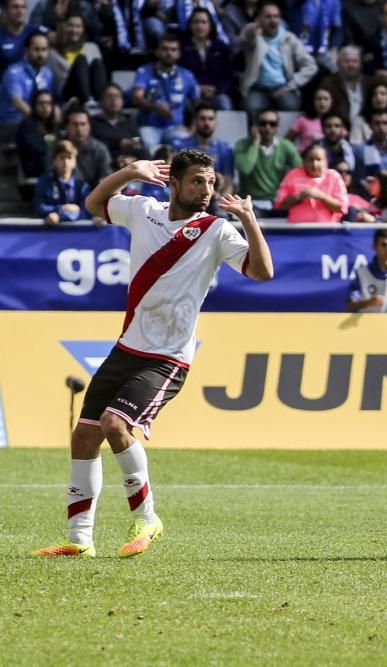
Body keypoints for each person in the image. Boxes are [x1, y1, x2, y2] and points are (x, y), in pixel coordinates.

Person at [32, 149, 274, 559]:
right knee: (84, 434)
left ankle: (147, 516)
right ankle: (79, 540)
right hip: (128, 347)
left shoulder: (216, 230)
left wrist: (248, 219)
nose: (207, 189)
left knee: (114, 423)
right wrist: (129, 171)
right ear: (174, 183)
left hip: (168, 357)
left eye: (211, 182)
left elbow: (263, 272)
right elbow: (94, 203)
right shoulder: (144, 210)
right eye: (198, 181)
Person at [238, 1, 318, 118]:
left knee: (291, 107)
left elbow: (311, 66)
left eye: (276, 17)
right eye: (268, 17)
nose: (273, 20)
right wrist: (254, 28)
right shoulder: (254, 37)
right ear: (260, 18)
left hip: (283, 88)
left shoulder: (289, 38)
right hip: (257, 88)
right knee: (251, 107)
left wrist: (292, 84)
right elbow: (245, 38)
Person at [132, 32, 200, 148]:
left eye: (173, 50)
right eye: (165, 49)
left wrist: (193, 127)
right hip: (149, 126)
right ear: (157, 52)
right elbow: (136, 98)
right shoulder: (144, 71)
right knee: (149, 147)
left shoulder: (187, 76)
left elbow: (198, 104)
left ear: (179, 54)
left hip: (175, 127)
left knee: (187, 146)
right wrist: (157, 107)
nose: (169, 53)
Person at [234, 108, 303, 213]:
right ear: (255, 126)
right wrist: (255, 143)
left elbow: (300, 172)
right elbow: (245, 168)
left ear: (278, 126)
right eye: (263, 123)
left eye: (272, 124)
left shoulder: (286, 146)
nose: (267, 127)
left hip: (277, 202)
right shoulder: (242, 144)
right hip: (250, 203)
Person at [172, 103, 236, 197]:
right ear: (195, 121)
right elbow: (174, 178)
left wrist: (221, 199)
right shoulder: (180, 146)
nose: (206, 123)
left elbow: (229, 182)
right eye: (202, 118)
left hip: (215, 200)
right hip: (187, 198)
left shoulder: (225, 149)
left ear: (216, 122)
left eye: (210, 119)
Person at [275, 142, 349, 222]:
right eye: (310, 160)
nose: (315, 164)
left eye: (319, 159)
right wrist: (298, 197)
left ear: (326, 161)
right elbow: (279, 204)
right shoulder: (293, 175)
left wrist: (320, 196)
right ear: (304, 161)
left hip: (327, 231)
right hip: (297, 231)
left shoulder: (334, 176)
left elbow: (342, 208)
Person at [0, 32, 54, 142]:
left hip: (36, 120)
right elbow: (17, 102)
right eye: (36, 49)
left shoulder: (48, 74)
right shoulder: (13, 72)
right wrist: (38, 121)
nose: (40, 54)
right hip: (12, 121)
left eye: (44, 50)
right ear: (26, 50)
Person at [180, 6, 236, 111]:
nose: (200, 26)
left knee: (224, 104)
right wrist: (196, 88)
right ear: (190, 25)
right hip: (190, 93)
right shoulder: (182, 47)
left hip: (216, 92)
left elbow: (229, 75)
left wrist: (216, 89)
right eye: (196, 22)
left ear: (210, 25)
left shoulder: (221, 47)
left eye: (203, 22)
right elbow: (180, 74)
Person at [34, 139, 91, 224]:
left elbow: (87, 212)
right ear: (54, 161)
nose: (65, 162)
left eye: (69, 158)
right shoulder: (44, 182)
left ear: (75, 161)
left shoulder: (82, 185)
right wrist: (61, 208)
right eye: (62, 157)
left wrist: (61, 216)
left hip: (77, 233)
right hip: (50, 231)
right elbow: (39, 207)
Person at [91, 83, 145, 161]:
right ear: (100, 102)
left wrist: (135, 143)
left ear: (123, 102)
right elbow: (93, 146)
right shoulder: (93, 122)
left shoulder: (128, 122)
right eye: (109, 96)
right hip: (106, 163)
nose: (113, 99)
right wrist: (118, 144)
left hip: (131, 162)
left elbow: (139, 142)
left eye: (117, 96)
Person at [62, 108, 112, 189]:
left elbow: (105, 179)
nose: (79, 129)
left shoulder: (100, 149)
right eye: (74, 124)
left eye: (83, 124)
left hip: (93, 196)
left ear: (89, 126)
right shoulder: (57, 149)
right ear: (66, 127)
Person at [16, 89, 60, 179]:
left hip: (54, 167)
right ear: (34, 105)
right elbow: (37, 148)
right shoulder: (27, 125)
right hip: (36, 169)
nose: (45, 106)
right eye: (41, 103)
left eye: (48, 103)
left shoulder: (54, 125)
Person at [287, 88, 334, 152]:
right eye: (319, 99)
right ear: (313, 101)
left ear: (331, 101)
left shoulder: (336, 122)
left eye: (326, 99)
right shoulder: (303, 120)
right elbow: (287, 141)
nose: (322, 102)